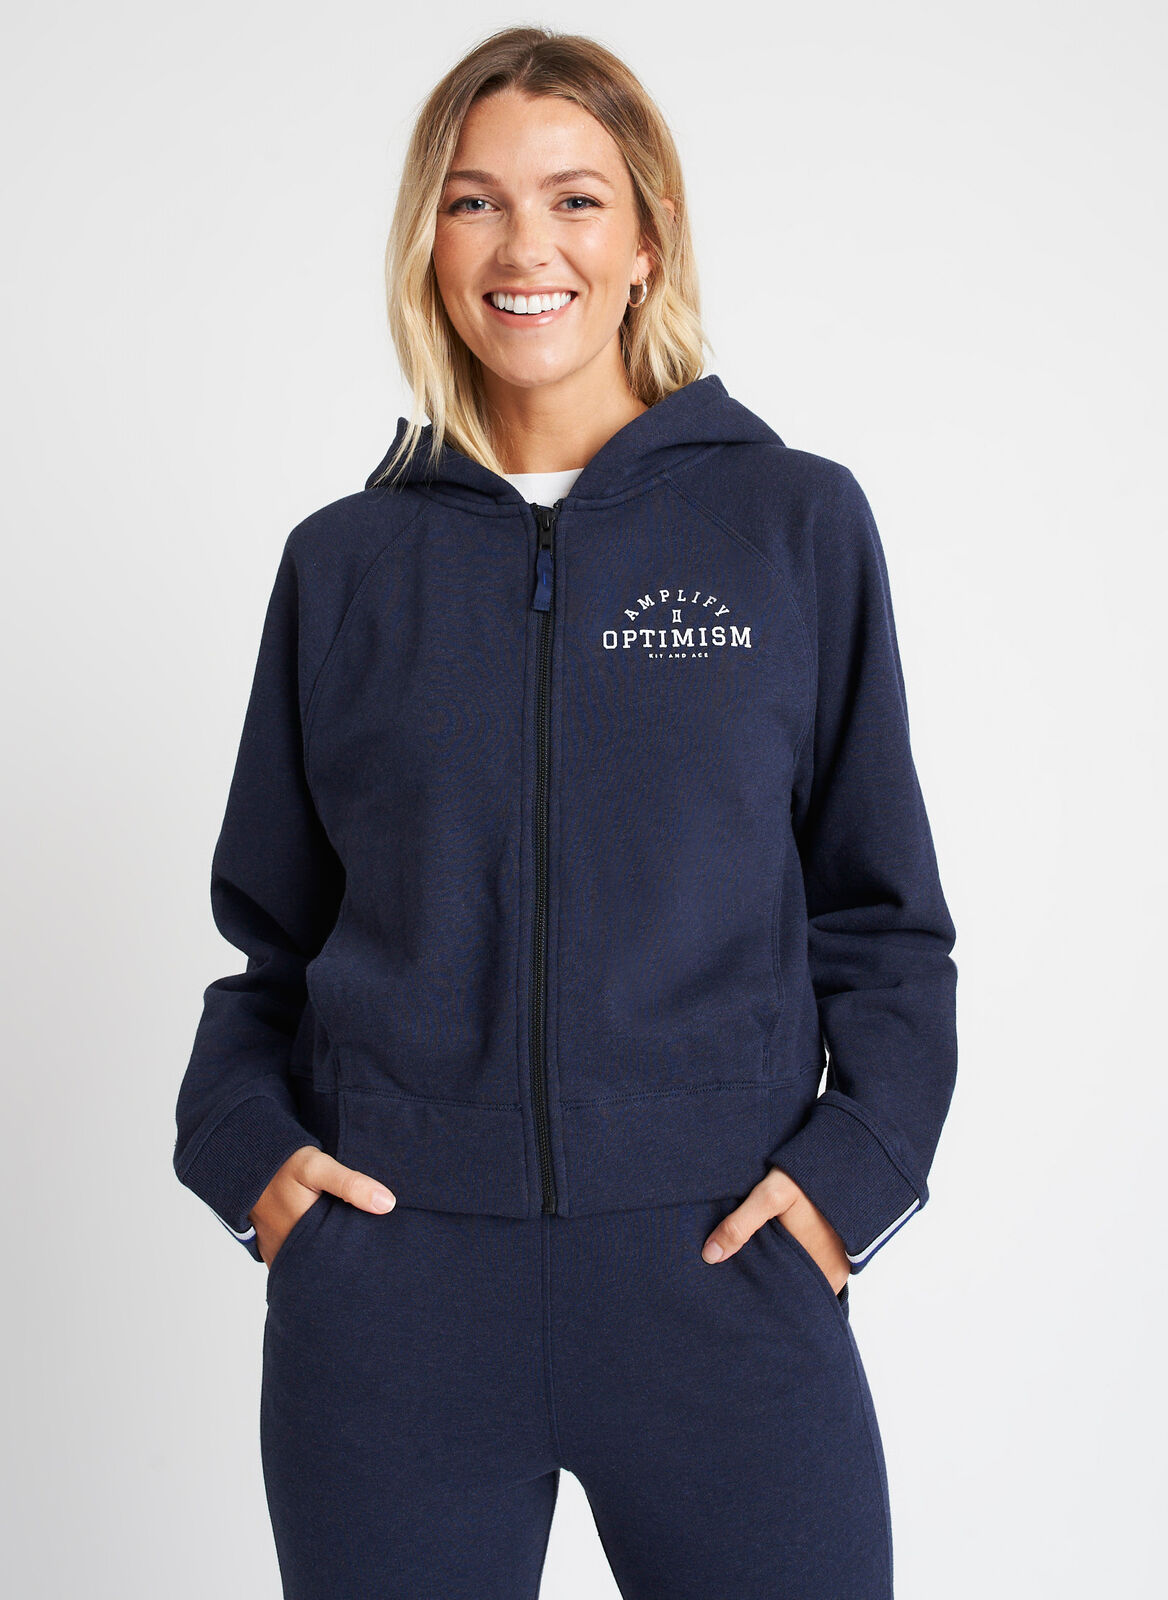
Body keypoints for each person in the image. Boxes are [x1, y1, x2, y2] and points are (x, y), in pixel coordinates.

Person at [172, 24, 958, 1600]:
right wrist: (255, 1162)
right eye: (475, 202)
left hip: (720, 1274)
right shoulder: (345, 565)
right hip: (396, 1302)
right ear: (429, 241)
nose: (526, 247)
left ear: (646, 239)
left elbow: (884, 920)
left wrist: (849, 1182)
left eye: (575, 200)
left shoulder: (790, 524)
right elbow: (273, 948)